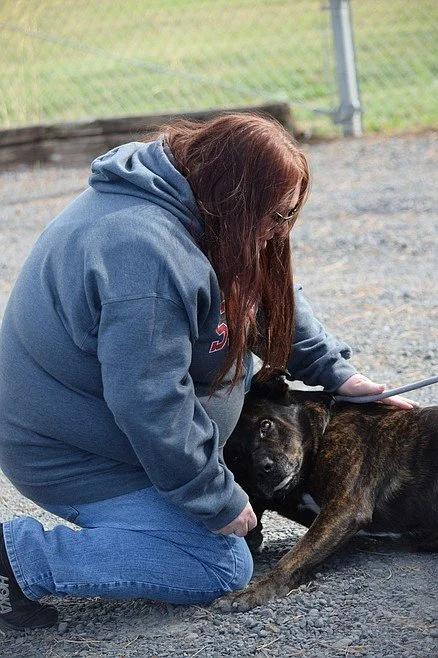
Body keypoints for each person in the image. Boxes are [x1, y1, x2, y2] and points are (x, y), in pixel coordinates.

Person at [0, 113, 416, 630]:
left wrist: (336, 372)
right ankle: (18, 558)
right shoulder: (144, 254)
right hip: (74, 453)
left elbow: (265, 294)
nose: (280, 232)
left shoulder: (196, 200)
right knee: (216, 565)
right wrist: (213, 497)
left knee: (231, 532)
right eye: (276, 216)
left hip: (124, 432)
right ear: (235, 198)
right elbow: (150, 401)